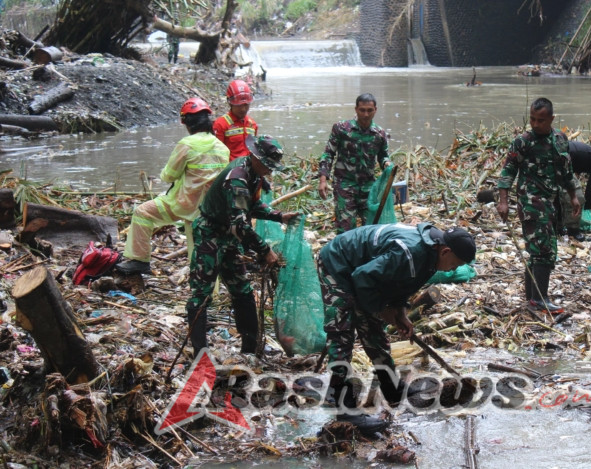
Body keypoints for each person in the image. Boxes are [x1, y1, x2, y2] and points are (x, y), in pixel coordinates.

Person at [318, 223, 476, 434]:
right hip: (338, 265)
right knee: (342, 334)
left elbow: (402, 283)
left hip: (365, 274)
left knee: (374, 331)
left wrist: (400, 313)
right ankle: (344, 409)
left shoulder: (431, 256)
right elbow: (362, 277)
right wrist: (381, 309)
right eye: (455, 265)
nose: (454, 270)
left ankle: (392, 388)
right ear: (445, 251)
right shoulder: (409, 252)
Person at [186, 135, 299, 354]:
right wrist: (264, 250)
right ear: (255, 157)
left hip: (229, 236)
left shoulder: (253, 174)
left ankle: (251, 347)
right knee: (202, 292)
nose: (269, 170)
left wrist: (279, 216)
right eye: (267, 165)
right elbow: (240, 226)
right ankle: (200, 352)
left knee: (242, 289)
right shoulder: (237, 179)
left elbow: (252, 206)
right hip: (211, 232)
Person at [115, 98, 229, 275]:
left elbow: (169, 175)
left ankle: (139, 260)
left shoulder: (186, 145)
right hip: (210, 208)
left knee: (142, 213)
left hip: (185, 205)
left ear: (187, 123)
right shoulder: (222, 147)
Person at [497, 98, 581, 314]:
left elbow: (567, 171)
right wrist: (503, 201)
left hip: (552, 201)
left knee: (538, 249)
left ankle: (533, 297)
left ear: (551, 119)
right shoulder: (523, 141)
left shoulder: (560, 139)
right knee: (543, 249)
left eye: (540, 120)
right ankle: (540, 299)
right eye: (532, 119)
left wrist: (573, 197)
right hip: (531, 202)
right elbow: (508, 171)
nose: (535, 124)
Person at [318, 93, 392, 233]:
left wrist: (387, 164)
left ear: (375, 110)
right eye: (362, 110)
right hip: (345, 184)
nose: (366, 114)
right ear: (356, 109)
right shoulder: (341, 128)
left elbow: (383, 156)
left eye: (369, 110)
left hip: (368, 186)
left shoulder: (379, 133)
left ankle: (366, 254)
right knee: (346, 228)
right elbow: (328, 153)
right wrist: (323, 179)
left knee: (371, 227)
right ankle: (345, 253)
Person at [213, 79, 259, 161]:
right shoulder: (220, 124)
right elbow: (216, 154)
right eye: (239, 105)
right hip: (230, 169)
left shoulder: (252, 124)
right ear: (230, 103)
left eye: (246, 105)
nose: (243, 109)